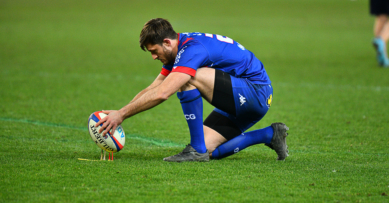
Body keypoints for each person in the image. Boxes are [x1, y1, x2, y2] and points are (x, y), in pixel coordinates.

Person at [95, 18, 289, 162]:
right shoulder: (179, 51)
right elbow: (154, 87)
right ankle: (270, 135)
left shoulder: (192, 50)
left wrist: (122, 115)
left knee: (188, 78)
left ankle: (196, 150)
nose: (153, 57)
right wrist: (119, 112)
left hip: (255, 92)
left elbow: (163, 92)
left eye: (154, 51)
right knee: (210, 150)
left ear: (167, 43)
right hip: (241, 96)